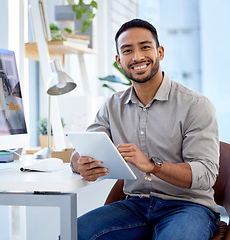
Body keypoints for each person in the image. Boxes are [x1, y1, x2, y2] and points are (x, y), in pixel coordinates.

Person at [71, 18, 220, 240]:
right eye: (127, 50)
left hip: (188, 206)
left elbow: (206, 174)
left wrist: (152, 166)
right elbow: (84, 148)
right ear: (119, 61)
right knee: (74, 234)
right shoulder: (113, 106)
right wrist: (79, 162)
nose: (137, 57)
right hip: (135, 206)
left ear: (159, 52)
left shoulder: (195, 105)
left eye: (145, 47)